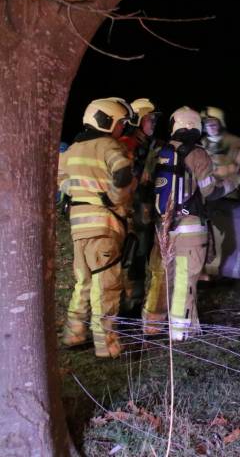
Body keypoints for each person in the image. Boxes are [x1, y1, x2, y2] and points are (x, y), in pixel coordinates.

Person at [142, 107, 235, 339]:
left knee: (164, 278)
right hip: (190, 230)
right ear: (195, 126)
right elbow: (209, 191)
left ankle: (152, 326)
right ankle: (180, 333)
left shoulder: (160, 151)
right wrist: (232, 183)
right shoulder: (197, 154)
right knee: (185, 281)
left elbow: (146, 185)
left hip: (164, 227)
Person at [58, 98, 136, 358]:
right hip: (104, 226)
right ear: (108, 121)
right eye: (121, 123)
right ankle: (107, 347)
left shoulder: (72, 150)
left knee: (83, 283)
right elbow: (124, 173)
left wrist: (78, 195)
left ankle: (73, 334)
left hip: (78, 229)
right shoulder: (108, 145)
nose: (122, 129)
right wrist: (112, 198)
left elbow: (60, 180)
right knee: (107, 287)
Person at [119, 98, 164, 314]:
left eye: (155, 119)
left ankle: (137, 305)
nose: (154, 123)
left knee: (144, 258)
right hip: (133, 214)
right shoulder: (128, 145)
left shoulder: (151, 145)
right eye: (150, 119)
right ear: (137, 120)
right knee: (133, 259)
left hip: (146, 213)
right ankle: (128, 308)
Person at [200, 106, 240, 191]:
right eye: (207, 124)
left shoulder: (233, 140)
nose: (211, 127)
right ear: (204, 127)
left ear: (220, 124)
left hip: (229, 183)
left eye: (214, 124)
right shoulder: (203, 142)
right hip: (209, 184)